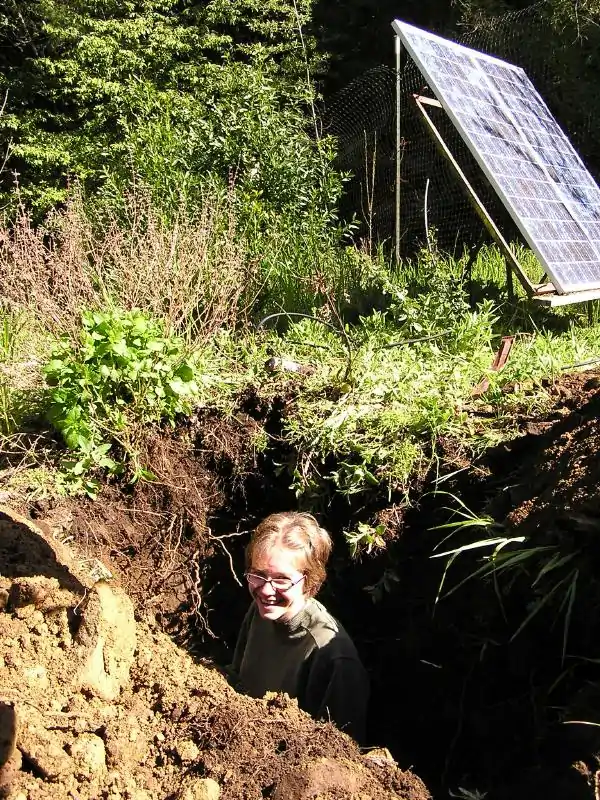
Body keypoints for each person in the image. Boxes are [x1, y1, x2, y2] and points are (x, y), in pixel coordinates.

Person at [230, 511, 369, 743]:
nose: (266, 590)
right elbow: (235, 682)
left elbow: (342, 751)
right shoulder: (261, 612)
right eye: (258, 575)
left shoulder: (333, 657)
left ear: (310, 580)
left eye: (281, 579)